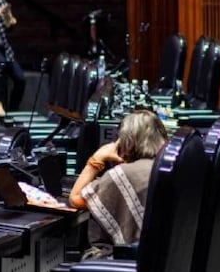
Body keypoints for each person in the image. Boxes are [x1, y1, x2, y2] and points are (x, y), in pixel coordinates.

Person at [68, 110, 168, 258]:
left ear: (127, 141)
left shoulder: (124, 174)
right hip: (162, 262)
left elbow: (75, 198)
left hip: (133, 264)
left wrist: (97, 158)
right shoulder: (167, 168)